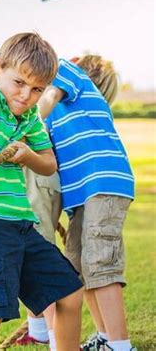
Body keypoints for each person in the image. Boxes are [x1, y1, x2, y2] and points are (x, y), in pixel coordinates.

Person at [0, 32, 83, 351]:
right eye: (19, 83)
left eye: (37, 88)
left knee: (69, 292)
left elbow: (49, 164)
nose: (26, 95)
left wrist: (29, 156)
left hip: (20, 225)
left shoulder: (29, 117)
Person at [38, 55, 136, 351]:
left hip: (102, 184)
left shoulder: (69, 71)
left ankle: (120, 346)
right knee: (78, 267)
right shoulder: (62, 112)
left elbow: (49, 95)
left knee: (100, 261)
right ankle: (105, 337)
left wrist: (23, 121)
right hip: (80, 195)